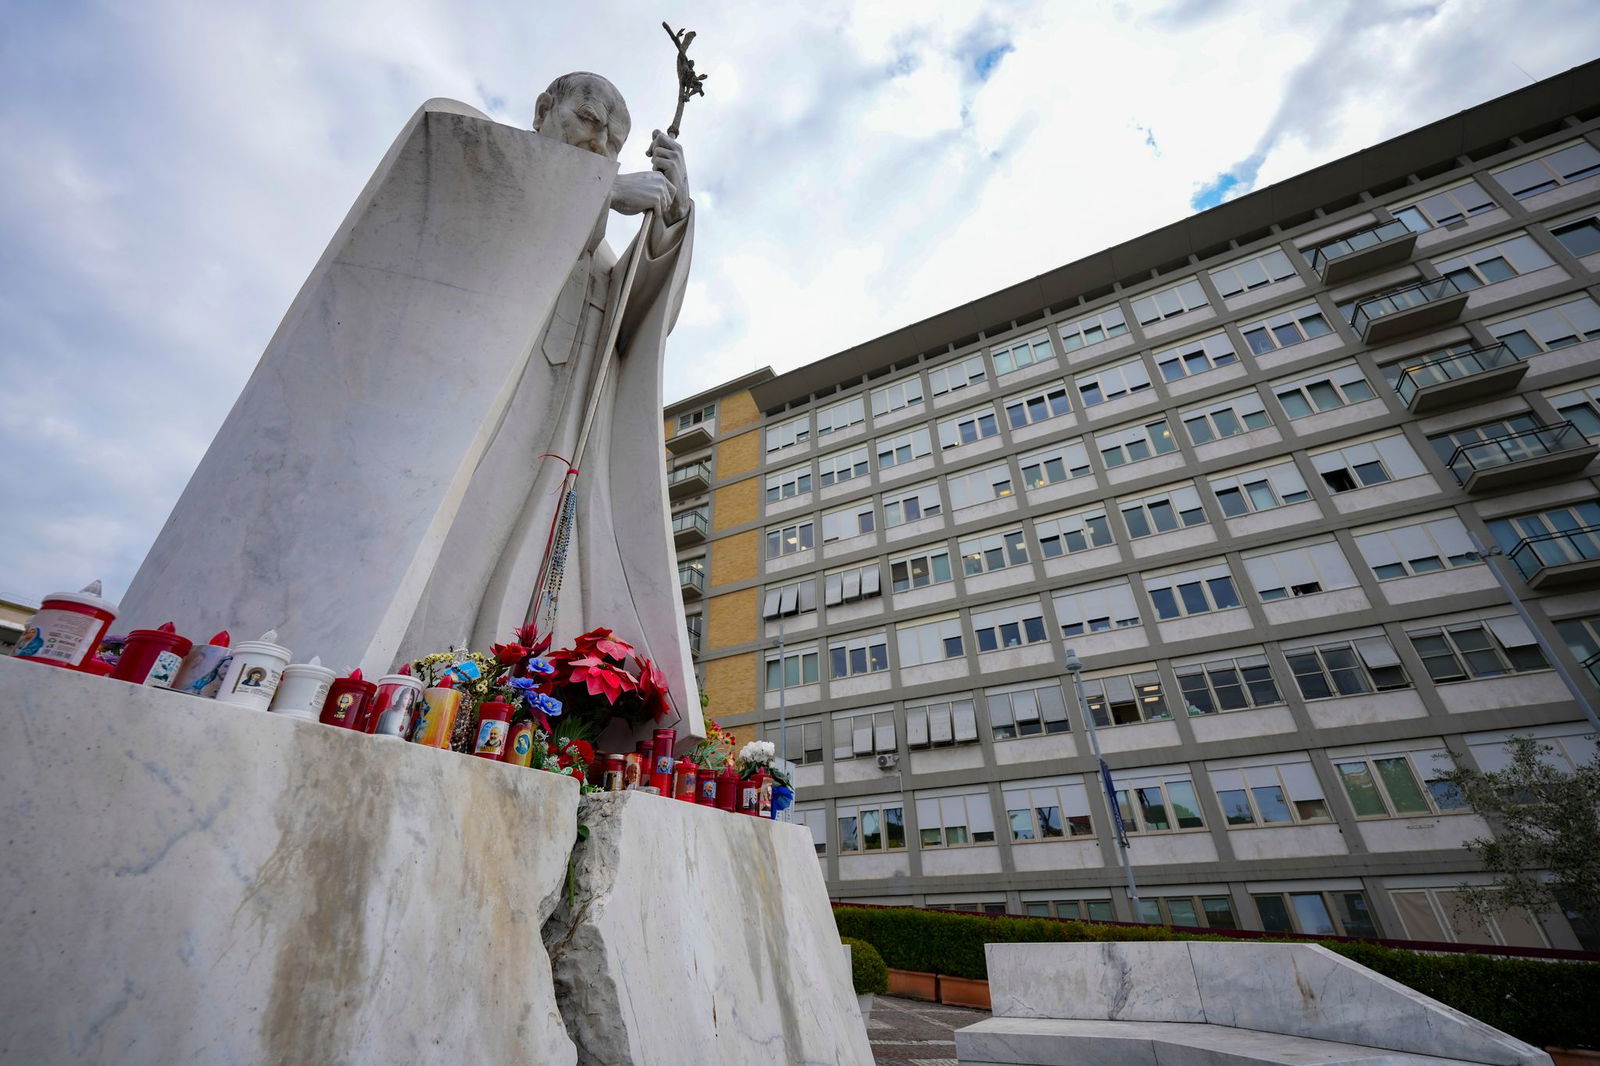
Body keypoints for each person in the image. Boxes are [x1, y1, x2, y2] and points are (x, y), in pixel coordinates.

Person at [397, 72, 700, 732]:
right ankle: (418, 682)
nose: (600, 145)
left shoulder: (596, 252)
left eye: (615, 141)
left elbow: (642, 316)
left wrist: (671, 217)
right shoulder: (489, 165)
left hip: (568, 439)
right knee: (468, 538)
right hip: (494, 413)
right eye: (587, 122)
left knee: (546, 568)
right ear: (544, 110)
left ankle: (511, 708)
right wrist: (602, 194)